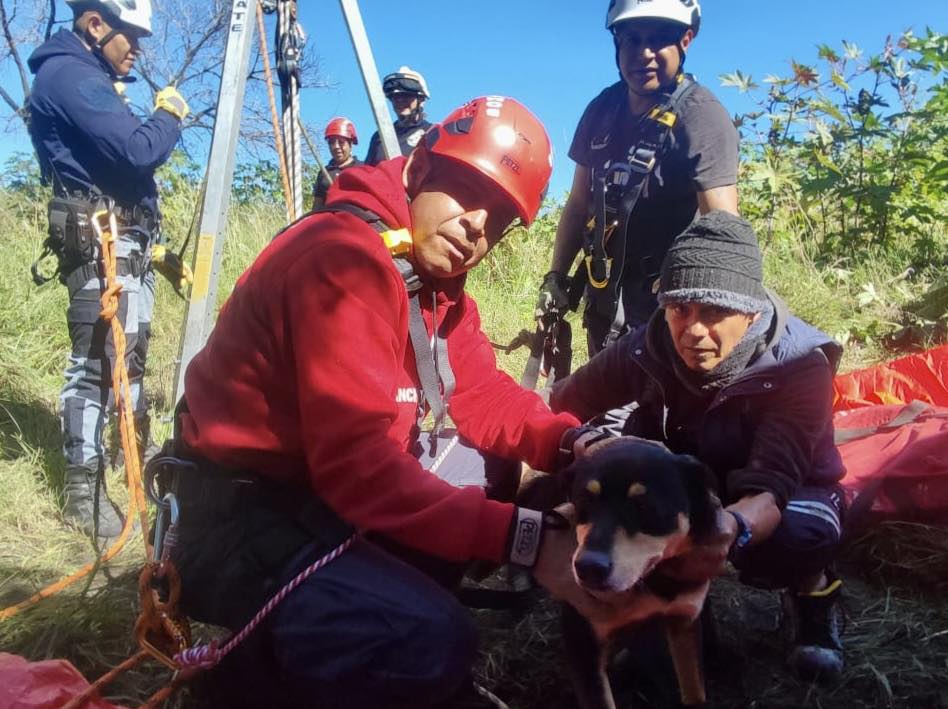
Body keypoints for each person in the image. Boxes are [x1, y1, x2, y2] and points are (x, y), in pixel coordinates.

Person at [165, 97, 610, 709]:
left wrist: (572, 442)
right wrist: (526, 538)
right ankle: (251, 679)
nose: (479, 225)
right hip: (229, 517)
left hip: (307, 493)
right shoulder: (340, 258)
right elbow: (358, 471)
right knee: (431, 639)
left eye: (501, 217)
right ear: (421, 168)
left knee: (490, 466)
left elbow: (480, 393)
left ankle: (375, 611)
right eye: (467, 189)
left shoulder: (430, 282)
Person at [549, 210, 847, 684]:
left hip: (785, 492)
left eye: (714, 313)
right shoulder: (645, 347)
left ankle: (814, 595)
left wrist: (728, 531)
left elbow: (770, 488)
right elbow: (560, 402)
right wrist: (586, 441)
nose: (692, 331)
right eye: (679, 309)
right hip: (685, 484)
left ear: (750, 311)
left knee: (794, 539)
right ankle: (657, 601)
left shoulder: (798, 367)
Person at [27, 0, 191, 541]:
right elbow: (138, 150)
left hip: (128, 246)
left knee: (131, 361)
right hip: (101, 247)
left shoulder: (89, 77)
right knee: (97, 364)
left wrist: (159, 252)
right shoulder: (69, 74)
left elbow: (121, 176)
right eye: (131, 36)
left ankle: (130, 467)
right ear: (96, 25)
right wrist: (168, 114)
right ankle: (83, 488)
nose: (138, 49)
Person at [537, 0, 739, 356]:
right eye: (631, 39)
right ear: (617, 43)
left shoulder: (702, 118)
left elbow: (722, 227)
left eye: (659, 39)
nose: (643, 53)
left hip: (668, 307)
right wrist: (556, 277)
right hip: (604, 294)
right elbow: (578, 202)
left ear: (685, 40)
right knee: (603, 402)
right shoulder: (601, 109)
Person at [364, 66, 433, 165]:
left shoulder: (431, 133)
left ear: (421, 99)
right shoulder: (380, 137)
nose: (400, 100)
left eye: (406, 95)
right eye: (395, 97)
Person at [311, 117, 362, 209]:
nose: (336, 146)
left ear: (351, 144)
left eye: (341, 142)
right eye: (332, 142)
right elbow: (317, 206)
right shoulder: (324, 173)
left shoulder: (363, 169)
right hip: (329, 220)